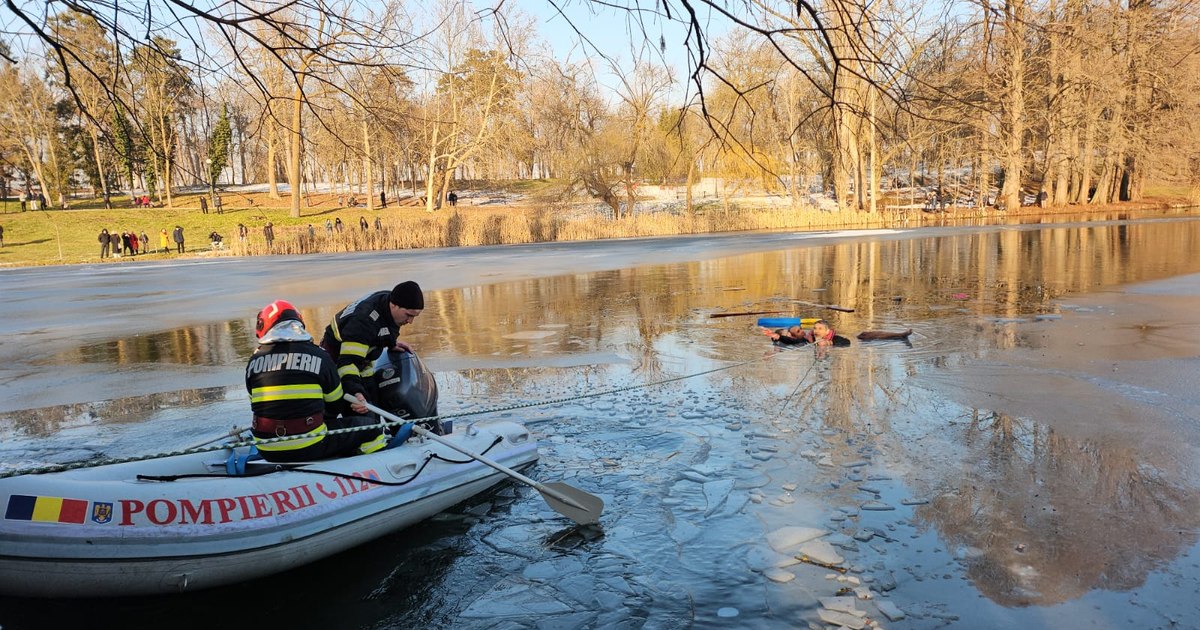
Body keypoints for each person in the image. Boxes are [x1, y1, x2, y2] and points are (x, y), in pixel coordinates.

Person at [246, 300, 387, 463]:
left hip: (266, 448)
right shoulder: (320, 356)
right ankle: (371, 469)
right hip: (310, 444)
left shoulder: (253, 361)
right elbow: (335, 404)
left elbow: (257, 404)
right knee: (371, 428)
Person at [321, 281, 424, 414]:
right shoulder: (363, 322)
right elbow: (347, 364)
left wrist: (391, 342)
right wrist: (355, 392)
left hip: (362, 362)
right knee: (362, 415)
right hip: (338, 365)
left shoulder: (388, 302)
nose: (410, 321)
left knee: (374, 407)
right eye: (409, 315)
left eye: (414, 316)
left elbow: (384, 325)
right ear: (394, 305)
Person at [762, 320, 851, 347]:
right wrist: (777, 336)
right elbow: (793, 341)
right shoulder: (808, 339)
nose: (817, 331)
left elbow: (847, 342)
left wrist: (829, 343)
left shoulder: (834, 338)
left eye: (820, 329)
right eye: (815, 328)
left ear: (827, 331)